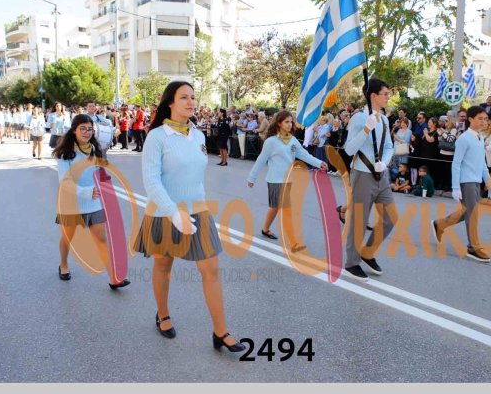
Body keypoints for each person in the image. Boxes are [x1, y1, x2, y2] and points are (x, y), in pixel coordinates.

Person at [133, 81, 246, 352]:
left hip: (198, 211)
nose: (191, 102)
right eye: (184, 97)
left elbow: (195, 178)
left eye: (193, 97)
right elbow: (151, 182)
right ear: (170, 103)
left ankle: (220, 332)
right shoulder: (157, 137)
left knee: (211, 270)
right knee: (163, 267)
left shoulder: (198, 136)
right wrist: (173, 213)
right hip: (164, 212)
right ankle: (163, 315)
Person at [52, 114, 130, 289]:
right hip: (72, 203)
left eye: (89, 129)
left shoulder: (94, 149)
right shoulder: (65, 153)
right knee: (68, 238)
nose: (87, 132)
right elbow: (65, 181)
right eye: (83, 128)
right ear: (74, 130)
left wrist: (104, 180)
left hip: (94, 202)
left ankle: (114, 278)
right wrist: (86, 192)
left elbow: (98, 171)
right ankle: (63, 264)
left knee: (101, 238)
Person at [247, 111, 328, 248]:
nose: (290, 124)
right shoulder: (271, 141)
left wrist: (319, 163)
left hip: (288, 179)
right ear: (279, 123)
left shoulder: (293, 140)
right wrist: (252, 177)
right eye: (286, 122)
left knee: (275, 207)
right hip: (275, 180)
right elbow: (261, 160)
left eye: (291, 122)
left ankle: (265, 229)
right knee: (285, 210)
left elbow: (305, 155)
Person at [341, 78, 394, 282]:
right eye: (385, 93)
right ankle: (351, 263)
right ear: (373, 95)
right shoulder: (358, 118)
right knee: (360, 220)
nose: (388, 97)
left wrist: (385, 163)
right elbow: (349, 149)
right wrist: (365, 129)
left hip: (381, 175)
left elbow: (388, 147)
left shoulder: (384, 120)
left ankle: (368, 252)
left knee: (391, 217)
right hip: (362, 173)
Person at [431, 106, 491, 262]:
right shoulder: (464, 138)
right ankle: (473, 247)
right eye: (480, 119)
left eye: (485, 119)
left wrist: (489, 184)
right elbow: (456, 164)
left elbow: (482, 164)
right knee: (473, 214)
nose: (483, 122)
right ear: (470, 119)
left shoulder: (480, 137)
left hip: (476, 181)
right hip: (466, 181)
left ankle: (439, 225)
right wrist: (455, 187)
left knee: (467, 212)